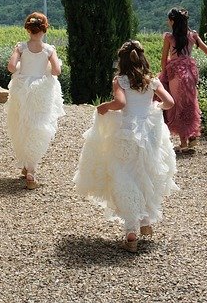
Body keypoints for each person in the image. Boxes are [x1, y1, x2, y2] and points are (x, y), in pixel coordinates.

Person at [74, 40, 178, 253]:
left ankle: (131, 232)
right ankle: (146, 219)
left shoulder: (120, 80)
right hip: (149, 133)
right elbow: (170, 102)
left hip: (127, 132)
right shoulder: (152, 81)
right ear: (142, 58)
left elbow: (120, 104)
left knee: (124, 175)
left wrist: (103, 107)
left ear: (121, 61)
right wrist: (155, 107)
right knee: (146, 173)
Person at [5, 12, 65, 190]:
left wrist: (19, 68)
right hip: (40, 91)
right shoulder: (49, 50)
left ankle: (26, 164)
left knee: (21, 124)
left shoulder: (21, 47)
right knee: (37, 126)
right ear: (45, 28)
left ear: (28, 28)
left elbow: (10, 67)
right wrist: (44, 70)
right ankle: (31, 170)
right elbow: (56, 71)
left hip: (22, 90)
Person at [159, 7, 207, 154]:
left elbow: (164, 59)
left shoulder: (169, 37)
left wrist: (163, 75)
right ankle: (192, 137)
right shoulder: (193, 35)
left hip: (176, 72)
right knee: (190, 104)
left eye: (168, 19)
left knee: (177, 105)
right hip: (190, 72)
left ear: (172, 21)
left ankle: (183, 143)